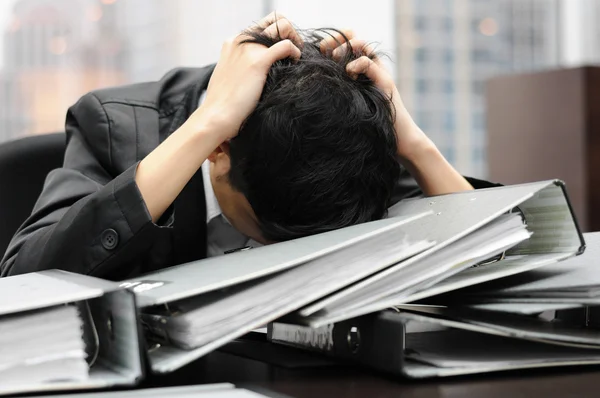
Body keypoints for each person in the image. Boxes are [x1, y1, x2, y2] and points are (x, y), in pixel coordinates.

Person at [0, 13, 490, 280]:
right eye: (265, 235)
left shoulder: (350, 142)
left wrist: (415, 145)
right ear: (219, 152)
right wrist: (205, 126)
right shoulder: (110, 125)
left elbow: (502, 264)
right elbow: (24, 277)